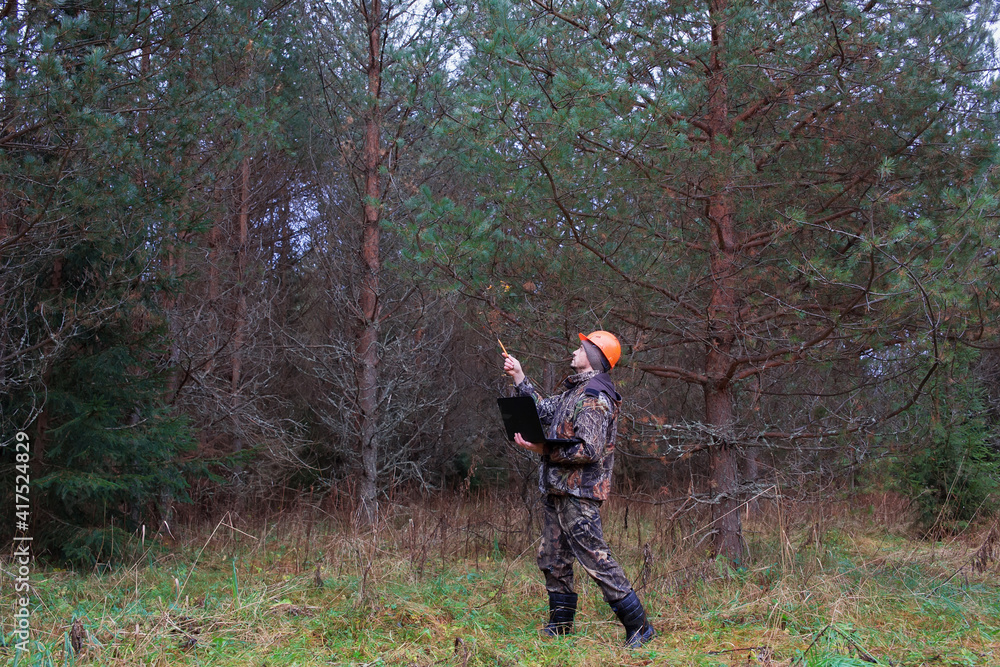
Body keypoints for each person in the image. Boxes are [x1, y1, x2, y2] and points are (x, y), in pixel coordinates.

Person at [503, 331, 655, 648]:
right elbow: (542, 411)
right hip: (558, 490)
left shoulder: (596, 396)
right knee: (551, 558)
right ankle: (560, 626)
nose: (574, 351)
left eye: (580, 347)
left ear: (594, 356)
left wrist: (541, 450)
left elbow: (589, 450)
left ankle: (639, 627)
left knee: (596, 560)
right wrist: (519, 377)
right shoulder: (575, 392)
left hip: (580, 493)